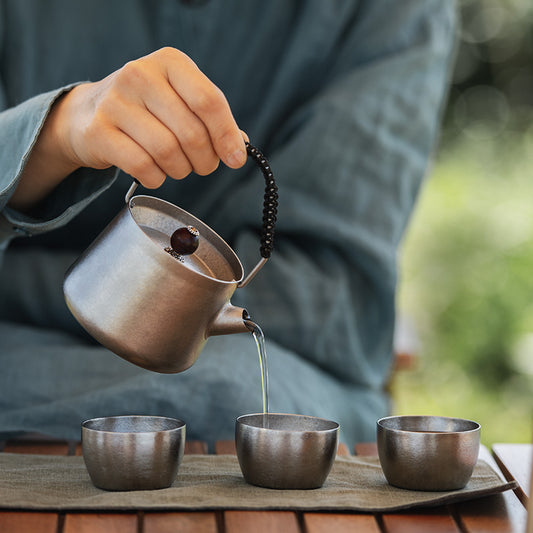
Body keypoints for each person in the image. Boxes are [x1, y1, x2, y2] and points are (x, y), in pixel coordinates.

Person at [0, 1, 457, 449]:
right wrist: (56, 134)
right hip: (19, 357)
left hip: (243, 374)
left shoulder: (390, 12)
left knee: (235, 404)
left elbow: (325, 298)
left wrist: (96, 285)